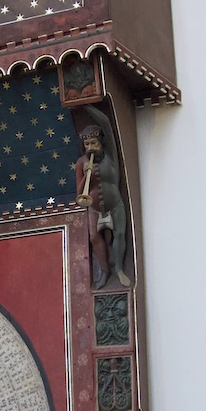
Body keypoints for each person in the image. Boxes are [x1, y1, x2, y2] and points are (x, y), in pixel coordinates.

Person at [74, 106, 129, 288]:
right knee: (94, 237)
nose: (90, 148)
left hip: (114, 204)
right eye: (87, 145)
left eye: (94, 144)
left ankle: (119, 269)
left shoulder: (110, 155)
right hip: (95, 207)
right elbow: (80, 192)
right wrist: (85, 175)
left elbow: (105, 122)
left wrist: (86, 104)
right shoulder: (82, 162)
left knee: (120, 233)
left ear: (101, 143)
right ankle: (104, 271)